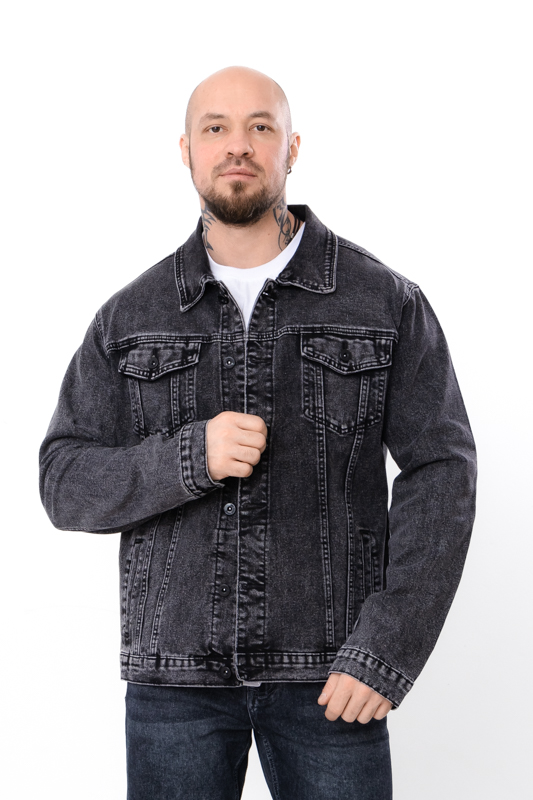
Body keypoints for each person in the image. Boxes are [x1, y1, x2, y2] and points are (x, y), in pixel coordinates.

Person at [39, 66, 477, 800]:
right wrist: (190, 457)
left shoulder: (383, 301)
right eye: (215, 128)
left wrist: (386, 648)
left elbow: (442, 470)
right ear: (186, 149)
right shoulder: (131, 315)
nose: (236, 145)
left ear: (291, 148)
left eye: (260, 127)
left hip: (331, 676)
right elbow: (63, 482)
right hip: (174, 682)